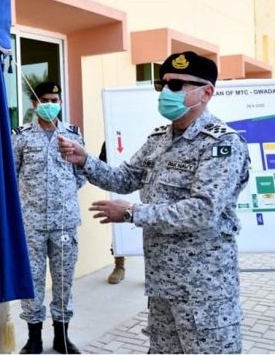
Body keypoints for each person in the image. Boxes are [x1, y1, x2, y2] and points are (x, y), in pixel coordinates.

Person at [58, 51, 250, 353]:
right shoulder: (159, 138)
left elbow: (203, 211)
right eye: (162, 85)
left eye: (177, 86)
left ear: (207, 92)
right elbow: (124, 178)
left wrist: (132, 212)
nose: (165, 93)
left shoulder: (222, 144)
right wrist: (85, 160)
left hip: (204, 290)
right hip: (162, 284)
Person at [12, 81, 86, 354]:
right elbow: (13, 174)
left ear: (60, 102)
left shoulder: (73, 135)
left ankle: (62, 337)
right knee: (32, 281)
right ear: (34, 103)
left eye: (54, 98)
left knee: (64, 280)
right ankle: (34, 338)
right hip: (31, 223)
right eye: (44, 99)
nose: (50, 103)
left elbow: (80, 175)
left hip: (65, 222)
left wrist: (60, 197)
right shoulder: (20, 135)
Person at [98, 141, 126, 284]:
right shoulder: (114, 133)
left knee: (149, 228)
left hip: (148, 186)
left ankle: (151, 269)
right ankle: (119, 265)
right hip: (121, 185)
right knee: (118, 226)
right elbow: (102, 163)